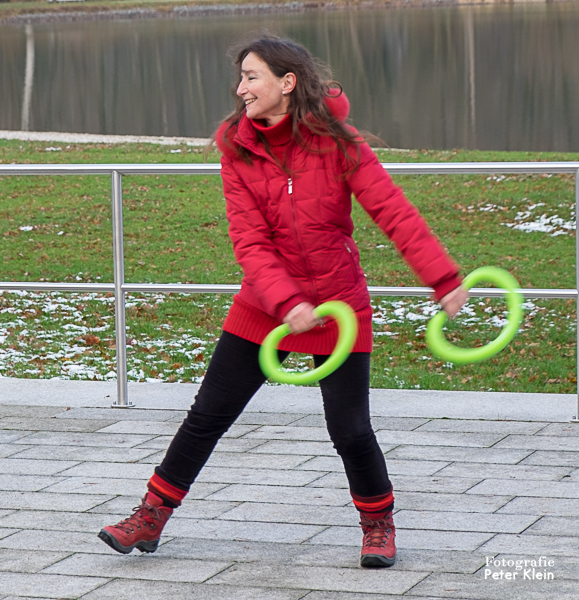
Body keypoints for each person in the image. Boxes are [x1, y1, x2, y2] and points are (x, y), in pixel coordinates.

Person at [98, 34, 468, 568]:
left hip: (339, 302)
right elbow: (249, 241)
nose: (240, 88)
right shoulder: (237, 149)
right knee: (206, 417)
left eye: (252, 77)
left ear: (287, 82)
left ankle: (378, 525)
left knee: (350, 430)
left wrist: (444, 279)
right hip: (265, 306)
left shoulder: (338, 143)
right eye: (241, 77)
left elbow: (394, 211)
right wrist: (286, 301)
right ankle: (150, 517)